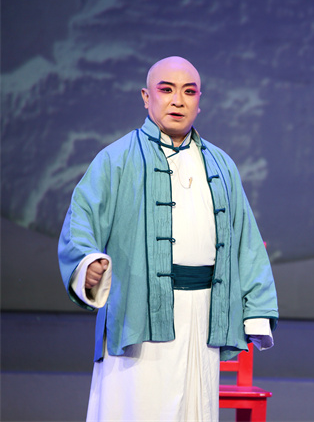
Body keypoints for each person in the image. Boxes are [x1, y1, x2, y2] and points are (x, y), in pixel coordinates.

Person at [58, 56, 278, 421]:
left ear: (199, 101)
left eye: (189, 92)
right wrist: (87, 262)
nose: (178, 100)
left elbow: (246, 243)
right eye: (166, 89)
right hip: (138, 313)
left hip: (202, 316)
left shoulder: (221, 165)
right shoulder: (117, 159)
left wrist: (256, 313)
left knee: (194, 407)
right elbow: (80, 222)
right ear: (147, 97)